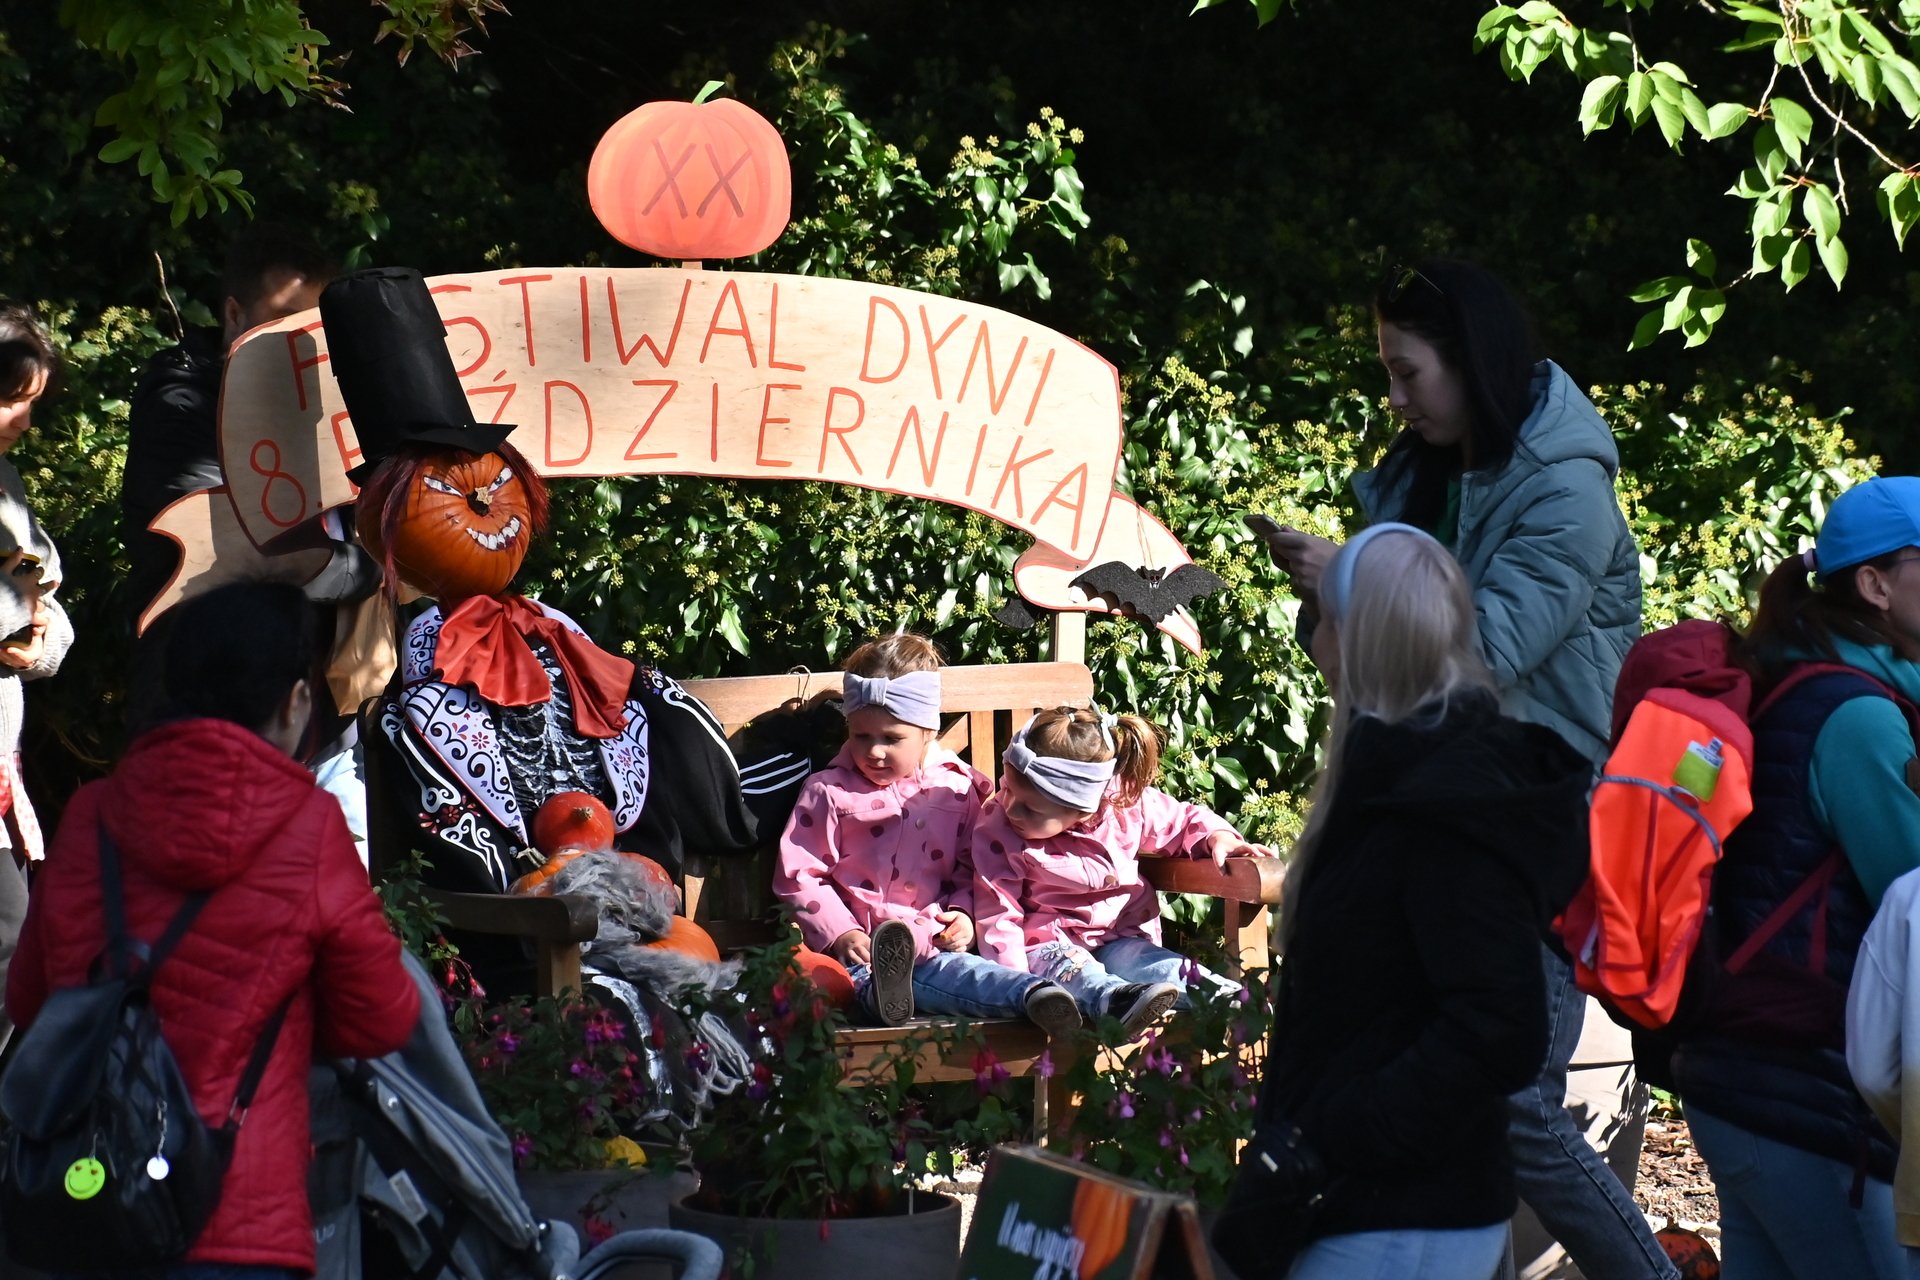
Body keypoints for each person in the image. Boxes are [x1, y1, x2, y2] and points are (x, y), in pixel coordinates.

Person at [1254, 258, 1670, 1280]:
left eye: (1408, 372)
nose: (1394, 398)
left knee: (1521, 1104)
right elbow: (1369, 661)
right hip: (1413, 798)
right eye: (1386, 374)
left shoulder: (1567, 490)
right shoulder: (1423, 470)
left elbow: (1483, 654)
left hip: (1519, 814)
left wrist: (1355, 582)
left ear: (1471, 360)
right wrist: (1335, 598)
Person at [7, 579, 419, 1278]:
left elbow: (29, 1002)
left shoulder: (91, 817)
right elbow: (383, 1018)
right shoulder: (309, 827)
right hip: (238, 1216)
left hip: (86, 1210)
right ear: (295, 701)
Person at [1213, 524, 1592, 1280]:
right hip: (1370, 1203)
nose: (1315, 642)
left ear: (1354, 640)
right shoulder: (1401, 771)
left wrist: (1337, 1133)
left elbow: (1500, 1026)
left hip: (1403, 1218)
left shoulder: (1443, 797)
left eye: (1322, 620)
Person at [1668, 476, 1920, 1279]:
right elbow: (1913, 896)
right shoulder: (1860, 715)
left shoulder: (1796, 675)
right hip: (1804, 1093)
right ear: (1875, 585)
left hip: (1744, 1076)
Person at [772, 632, 1082, 1035]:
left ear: (927, 732)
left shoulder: (956, 790)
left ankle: (1033, 994)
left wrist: (963, 916)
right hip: (855, 953)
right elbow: (800, 875)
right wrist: (840, 932)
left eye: (891, 738)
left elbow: (974, 868)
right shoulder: (829, 792)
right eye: (861, 736)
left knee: (960, 975)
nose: (874, 751)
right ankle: (890, 996)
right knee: (849, 982)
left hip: (931, 942)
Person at [970, 703, 1277, 1037]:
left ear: (1083, 810)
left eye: (1030, 808)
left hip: (1122, 937)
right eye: (1007, 787)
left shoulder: (1125, 805)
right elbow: (998, 913)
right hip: (1047, 946)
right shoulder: (999, 829)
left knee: (1157, 966)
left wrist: (1218, 837)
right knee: (1075, 971)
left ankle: (1233, 999)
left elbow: (1182, 821)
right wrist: (1017, 988)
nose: (1009, 807)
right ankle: (1114, 1001)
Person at [120, 223, 334, 623]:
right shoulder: (180, 405)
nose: (302, 339)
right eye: (285, 320)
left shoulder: (309, 408)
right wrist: (352, 567)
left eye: (314, 326)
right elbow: (222, 543)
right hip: (201, 649)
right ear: (234, 315)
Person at [0, 302, 73, 1054]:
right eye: (10, 399)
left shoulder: (8, 486)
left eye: (31, 402)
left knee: (17, 945)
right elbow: (21, 594)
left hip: (1, 763)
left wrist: (36, 641)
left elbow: (48, 599)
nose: (23, 419)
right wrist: (15, 612)